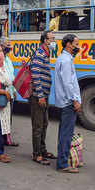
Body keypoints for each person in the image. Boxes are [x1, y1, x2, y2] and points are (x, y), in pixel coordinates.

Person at [55, 34, 81, 173]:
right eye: (76, 44)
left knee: (63, 133)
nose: (78, 47)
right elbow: (68, 84)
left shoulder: (66, 58)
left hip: (65, 101)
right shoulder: (65, 60)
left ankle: (62, 159)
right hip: (68, 102)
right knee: (66, 133)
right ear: (68, 44)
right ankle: (62, 163)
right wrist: (75, 100)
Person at [29, 31, 57, 165]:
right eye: (52, 39)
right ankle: (37, 154)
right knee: (38, 126)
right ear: (45, 40)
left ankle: (43, 150)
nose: (53, 41)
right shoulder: (40, 53)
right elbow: (35, 75)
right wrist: (40, 95)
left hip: (43, 96)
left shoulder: (46, 53)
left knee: (44, 124)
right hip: (37, 96)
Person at [0, 36, 19, 147]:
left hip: (10, 92)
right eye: (7, 45)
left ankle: (7, 137)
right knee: (1, 117)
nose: (9, 47)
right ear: (1, 46)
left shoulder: (8, 60)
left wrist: (14, 90)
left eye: (10, 45)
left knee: (8, 117)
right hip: (2, 92)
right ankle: (1, 138)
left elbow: (11, 76)